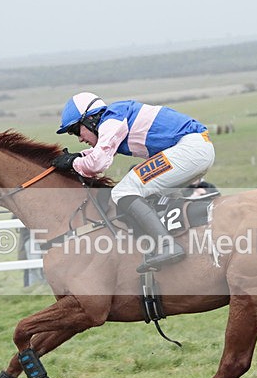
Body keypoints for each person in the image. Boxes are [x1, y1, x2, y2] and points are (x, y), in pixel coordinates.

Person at [52, 92, 215, 273]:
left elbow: (98, 163)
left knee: (123, 191)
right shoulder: (114, 118)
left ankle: (167, 246)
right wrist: (78, 157)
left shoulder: (111, 120)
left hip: (189, 150)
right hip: (194, 148)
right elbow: (101, 151)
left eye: (76, 130)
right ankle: (174, 244)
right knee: (149, 194)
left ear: (91, 119)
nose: (80, 138)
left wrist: (72, 162)